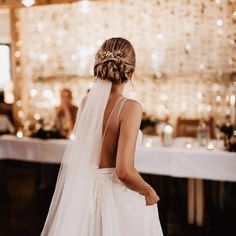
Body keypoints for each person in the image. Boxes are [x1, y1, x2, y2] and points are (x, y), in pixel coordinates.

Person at [41, 38, 163, 235]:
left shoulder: (86, 102)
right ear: (130, 72)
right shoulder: (130, 108)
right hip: (114, 196)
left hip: (84, 193)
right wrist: (149, 191)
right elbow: (124, 171)